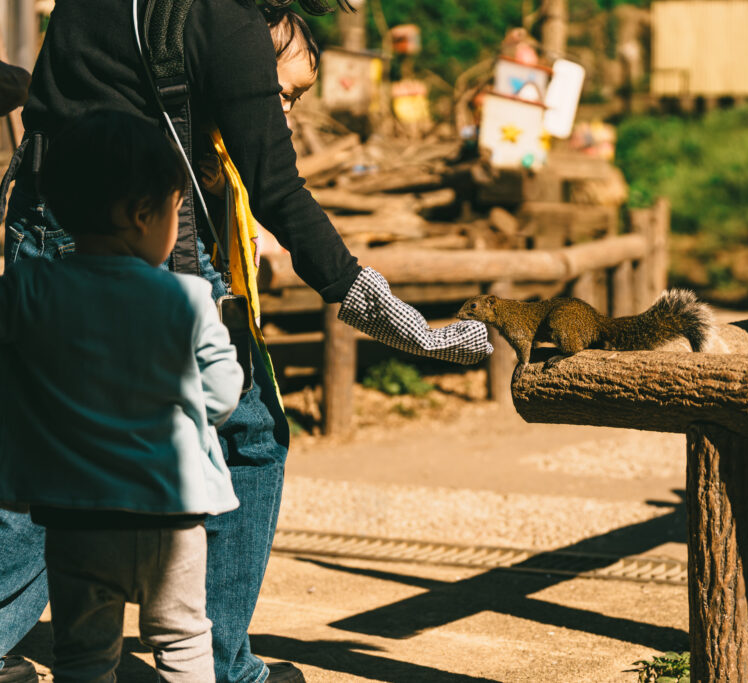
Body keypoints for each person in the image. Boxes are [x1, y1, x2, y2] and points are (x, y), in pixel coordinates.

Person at [0, 2, 493, 683]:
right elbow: (277, 189)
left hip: (43, 215)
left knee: (38, 425)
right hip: (141, 235)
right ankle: (225, 663)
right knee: (251, 436)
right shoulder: (225, 20)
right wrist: (389, 314)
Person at [0, 109, 243, 682]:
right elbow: (224, 394)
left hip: (74, 513)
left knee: (84, 654)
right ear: (140, 214)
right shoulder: (188, 297)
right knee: (183, 640)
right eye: (176, 211)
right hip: (171, 507)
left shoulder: (29, 288)